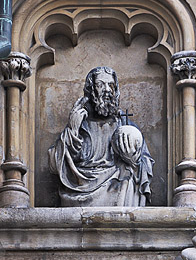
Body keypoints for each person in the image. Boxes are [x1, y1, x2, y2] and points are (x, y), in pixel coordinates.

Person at [48, 66, 154, 207]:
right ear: (90, 90)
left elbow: (145, 163)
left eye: (111, 85)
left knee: (127, 177)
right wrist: (72, 130)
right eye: (100, 85)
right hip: (80, 192)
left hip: (118, 186)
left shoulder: (125, 125)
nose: (107, 90)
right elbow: (54, 164)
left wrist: (133, 160)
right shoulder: (80, 125)